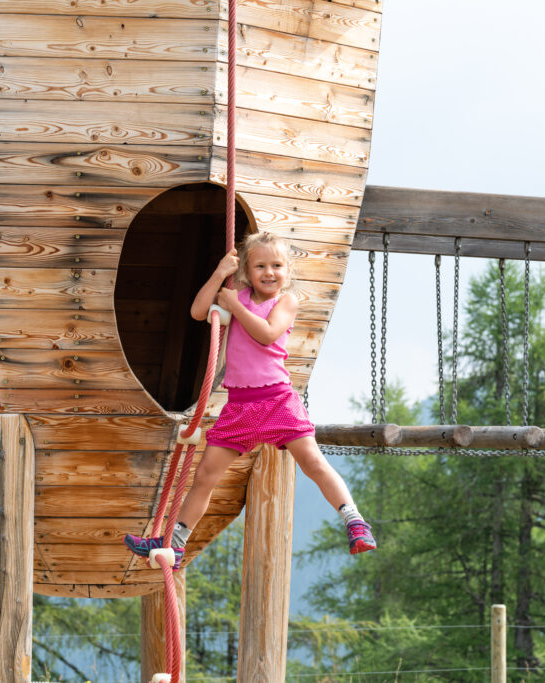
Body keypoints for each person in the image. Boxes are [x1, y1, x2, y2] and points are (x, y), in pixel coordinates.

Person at [125, 231, 376, 568]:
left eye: (277, 265)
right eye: (260, 266)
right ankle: (176, 542)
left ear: (288, 271)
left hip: (277, 401)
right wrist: (218, 275)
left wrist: (234, 308)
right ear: (246, 269)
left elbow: (267, 334)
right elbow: (199, 312)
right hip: (239, 407)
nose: (269, 272)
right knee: (205, 476)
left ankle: (354, 521)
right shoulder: (236, 296)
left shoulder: (285, 302)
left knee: (313, 463)